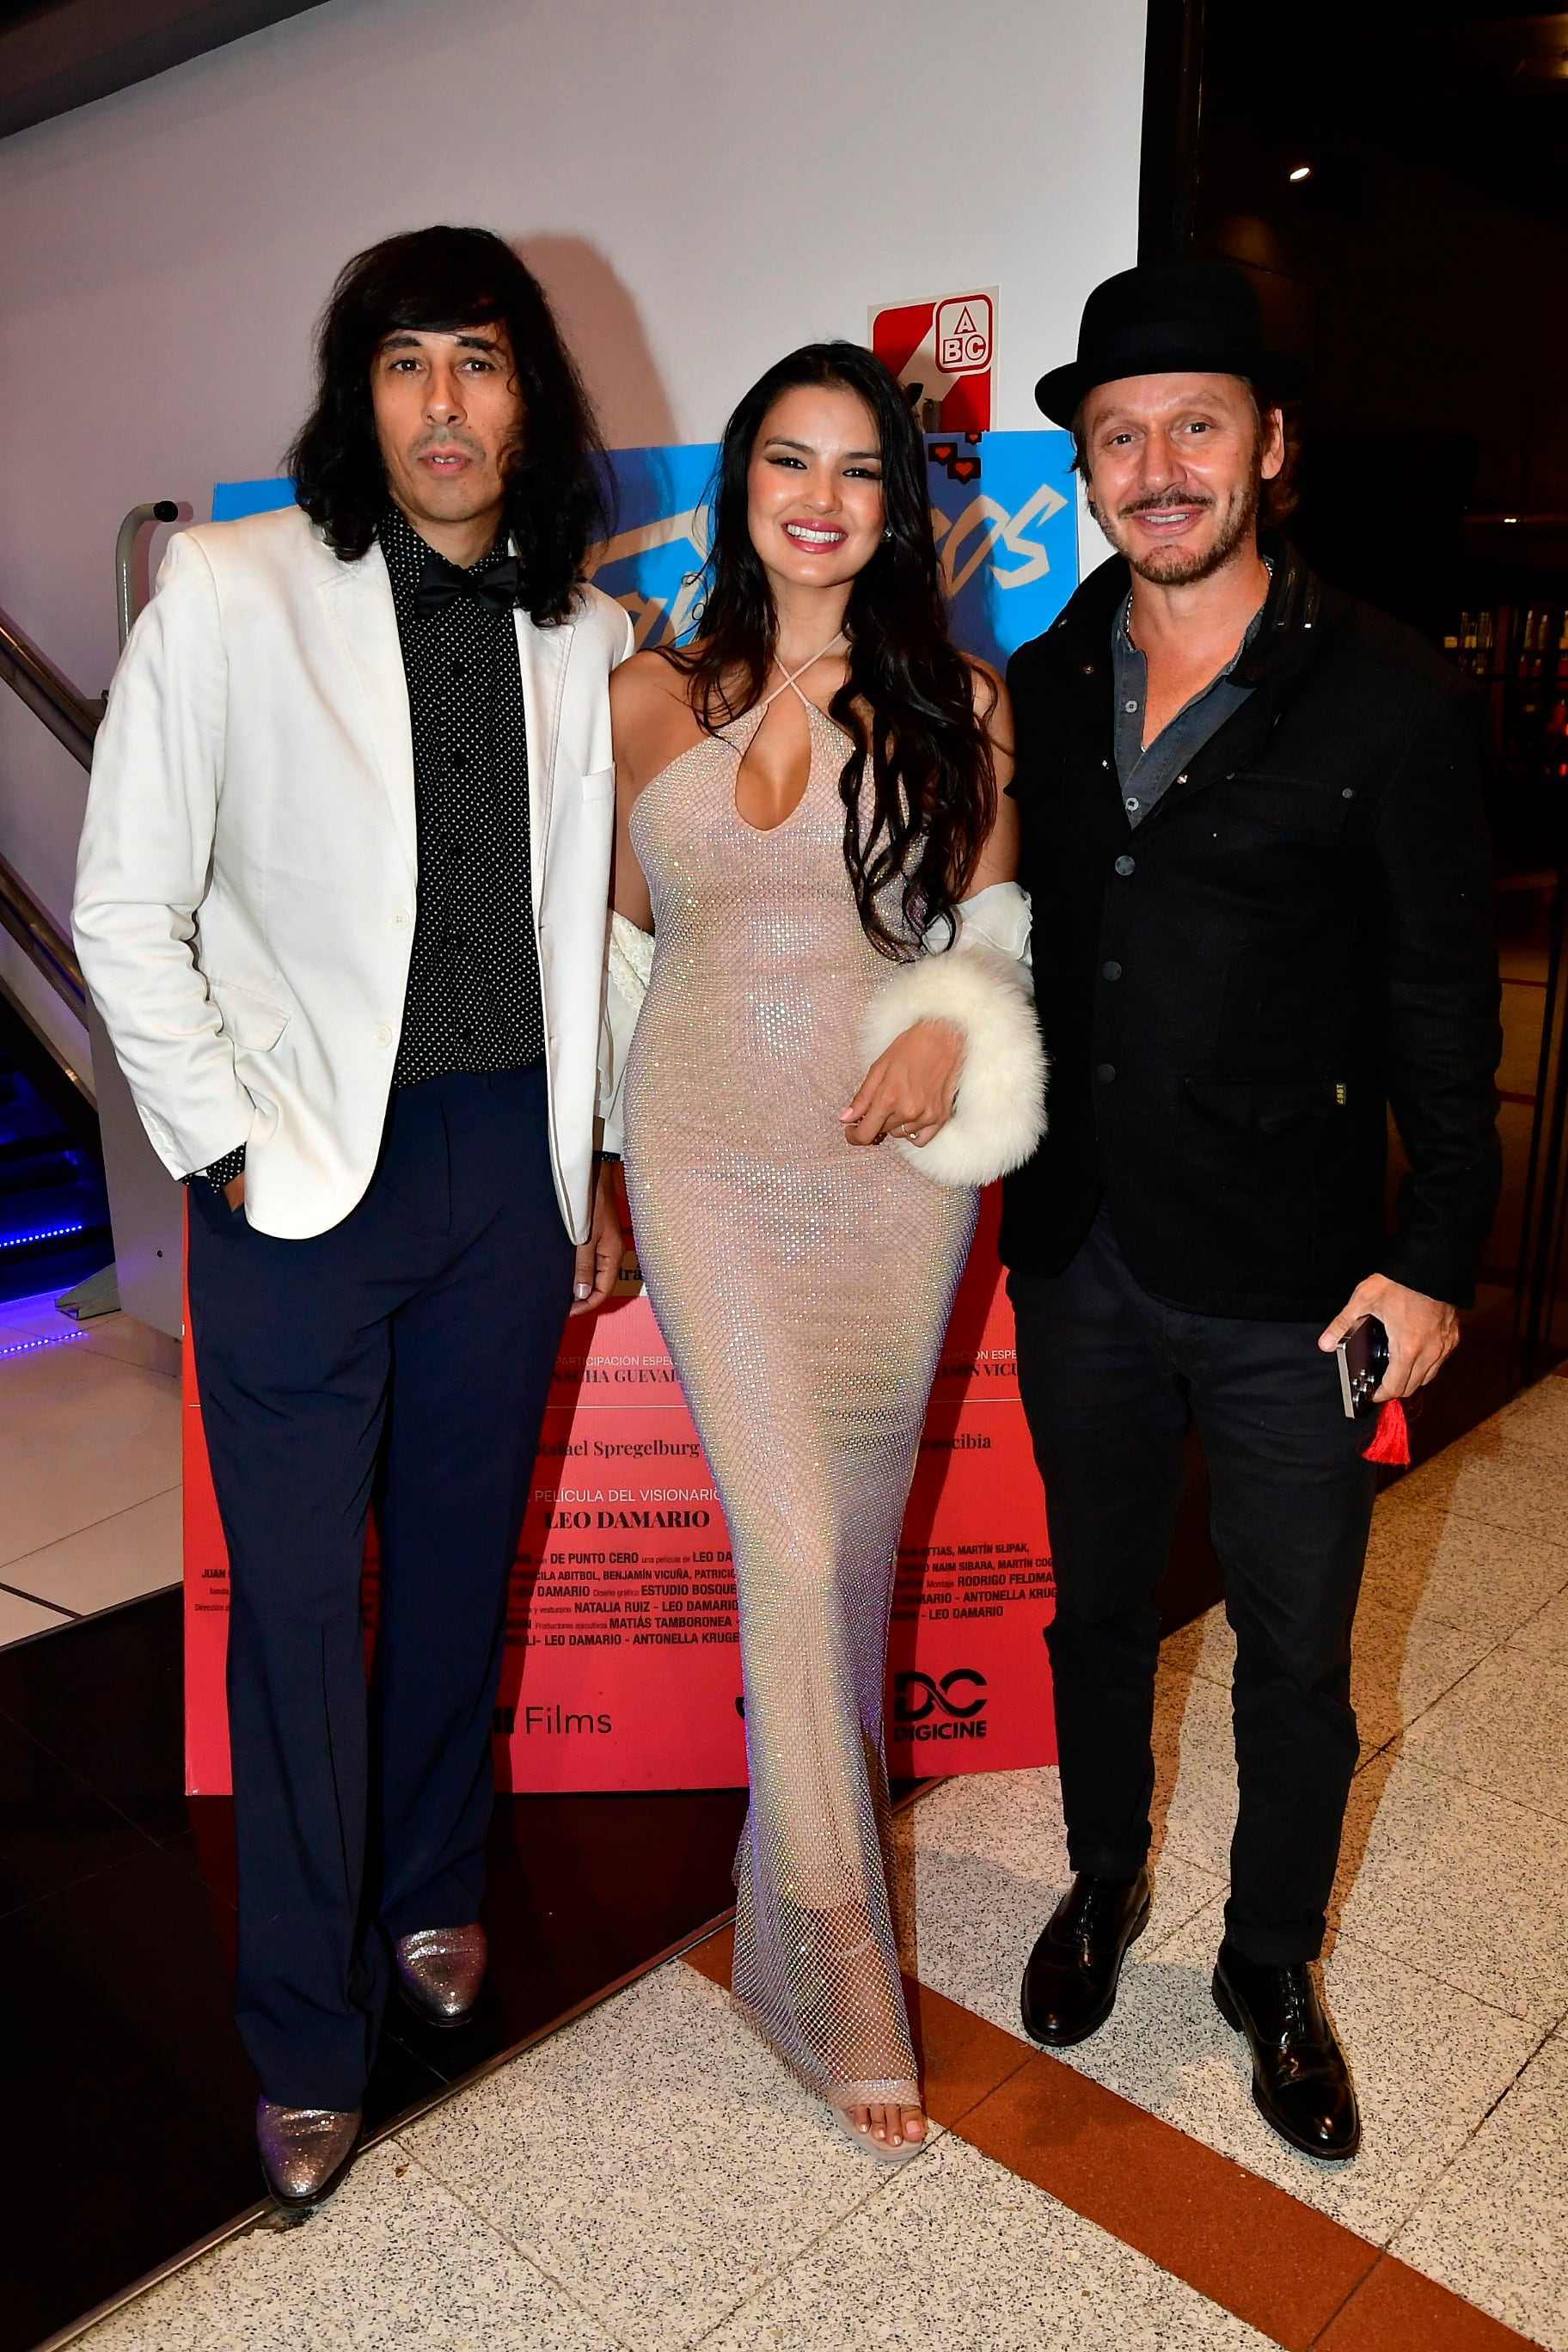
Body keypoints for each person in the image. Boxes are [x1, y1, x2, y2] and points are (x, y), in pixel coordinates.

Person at [74, 226, 631, 2208]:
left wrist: (597, 1147)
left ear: (528, 395)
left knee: (460, 1567)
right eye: (405, 363)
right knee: (301, 1615)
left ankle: (430, 1889)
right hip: (302, 1175)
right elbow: (123, 908)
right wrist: (221, 1144)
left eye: (478, 359)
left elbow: (590, 923)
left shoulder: (580, 629)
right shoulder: (229, 592)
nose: (444, 403)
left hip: (504, 1168)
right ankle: (304, 2034)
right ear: (358, 395)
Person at [1002, 260, 1501, 2160]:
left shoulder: (1391, 695)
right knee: (1094, 1610)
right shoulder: (1046, 680)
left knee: (1297, 1651)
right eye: (1119, 435)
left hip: (1303, 1281)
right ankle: (1105, 1877)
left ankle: (1269, 1961)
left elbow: (1443, 1013)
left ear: (1270, 444)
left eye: (1196, 425)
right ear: (1086, 469)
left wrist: (1433, 1259)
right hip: (1081, 1253)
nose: (1158, 466)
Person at [604, 344, 1041, 2157]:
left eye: (861, 469)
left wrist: (950, 1020)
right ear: (742, 486)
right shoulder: (645, 694)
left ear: (897, 507)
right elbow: (618, 955)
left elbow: (995, 926)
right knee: (789, 1538)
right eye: (790, 460)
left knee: (839, 1553)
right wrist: (601, 1169)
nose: (823, 497)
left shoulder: (959, 698)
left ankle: (774, 1898)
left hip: (889, 1174)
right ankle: (839, 1952)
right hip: (706, 1152)